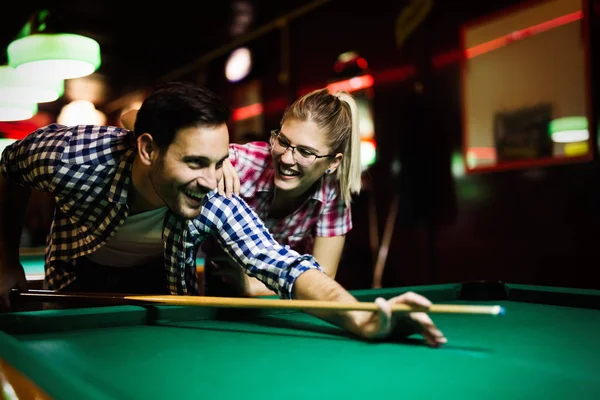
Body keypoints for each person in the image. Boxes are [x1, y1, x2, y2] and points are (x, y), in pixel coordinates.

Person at [1, 81, 446, 346]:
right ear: (148, 148)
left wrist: (364, 319)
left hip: (160, 279)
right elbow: (8, 171)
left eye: (220, 161)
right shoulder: (72, 158)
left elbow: (284, 265)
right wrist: (3, 260)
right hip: (79, 271)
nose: (214, 180)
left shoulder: (215, 193)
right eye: (196, 162)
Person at [122, 88, 360, 298]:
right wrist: (215, 162)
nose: (287, 158)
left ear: (333, 163)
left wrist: (252, 287)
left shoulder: (333, 195)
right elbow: (129, 117)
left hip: (283, 293)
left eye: (306, 152)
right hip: (201, 285)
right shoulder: (239, 164)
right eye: (284, 141)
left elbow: (324, 277)